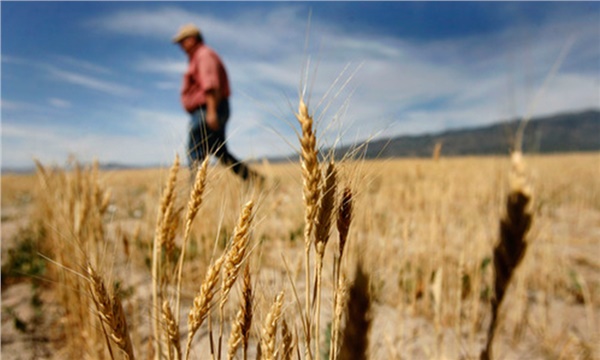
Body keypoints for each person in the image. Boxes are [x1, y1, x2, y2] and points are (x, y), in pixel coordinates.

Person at [173, 23, 260, 182]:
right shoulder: (198, 57)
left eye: (182, 41)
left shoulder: (203, 55)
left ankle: (194, 192)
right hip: (209, 109)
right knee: (219, 151)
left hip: (207, 109)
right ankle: (254, 179)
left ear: (192, 39)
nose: (180, 45)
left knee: (195, 151)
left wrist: (211, 112)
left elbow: (211, 84)